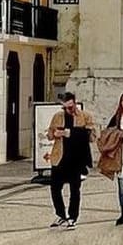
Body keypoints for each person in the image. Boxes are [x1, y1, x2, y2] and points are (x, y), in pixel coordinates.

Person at [46, 91, 97, 229]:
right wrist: (55, 133)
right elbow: (49, 135)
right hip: (60, 156)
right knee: (55, 188)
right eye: (65, 107)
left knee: (75, 189)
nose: (68, 110)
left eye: (70, 107)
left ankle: (73, 217)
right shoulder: (58, 116)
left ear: (75, 103)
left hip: (77, 157)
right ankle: (61, 214)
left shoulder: (85, 116)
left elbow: (92, 136)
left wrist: (72, 133)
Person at [97, 90, 123, 225]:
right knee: (122, 188)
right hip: (122, 158)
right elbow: (106, 134)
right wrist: (118, 134)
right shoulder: (117, 118)